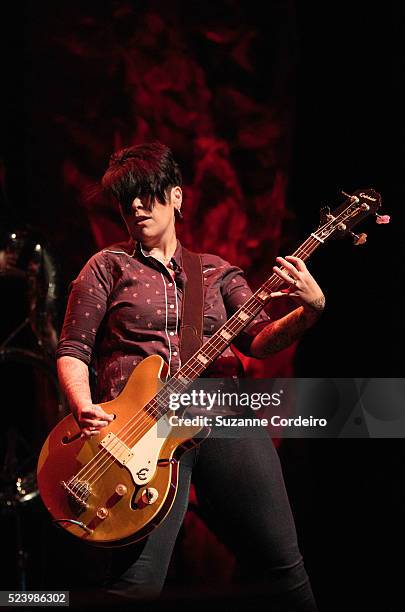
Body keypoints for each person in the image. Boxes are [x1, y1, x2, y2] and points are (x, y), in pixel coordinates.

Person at [56, 142, 324, 609]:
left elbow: (259, 340)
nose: (135, 205)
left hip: (221, 416)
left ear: (177, 196)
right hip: (140, 430)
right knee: (135, 586)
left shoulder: (218, 274)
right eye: (125, 198)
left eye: (146, 192)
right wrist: (83, 403)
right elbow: (74, 349)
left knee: (283, 570)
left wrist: (310, 310)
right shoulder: (107, 266)